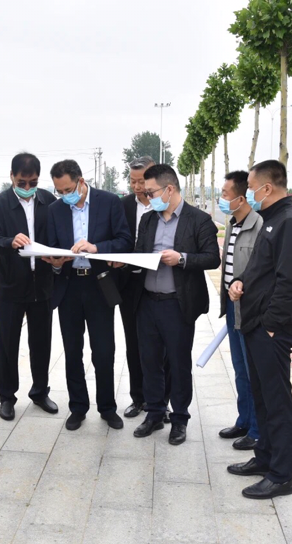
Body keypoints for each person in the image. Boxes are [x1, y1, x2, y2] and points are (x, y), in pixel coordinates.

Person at [226, 160, 292, 499]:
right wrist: (240, 281)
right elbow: (260, 268)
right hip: (256, 323)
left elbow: (290, 283)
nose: (248, 192)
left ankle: (281, 475)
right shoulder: (272, 219)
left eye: (250, 187)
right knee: (262, 396)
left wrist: (273, 325)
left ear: (267, 188)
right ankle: (264, 457)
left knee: (277, 401)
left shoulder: (290, 222)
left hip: (271, 328)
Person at [132, 164, 220, 445]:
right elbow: (139, 251)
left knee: (179, 364)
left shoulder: (199, 220)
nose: (148, 198)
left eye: (151, 192)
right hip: (147, 301)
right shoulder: (149, 219)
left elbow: (212, 258)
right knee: (149, 361)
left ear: (169, 189)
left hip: (177, 304)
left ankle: (180, 419)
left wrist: (182, 258)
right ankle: (154, 413)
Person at [46, 159, 132, 431]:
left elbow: (124, 241)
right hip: (69, 286)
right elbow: (51, 247)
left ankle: (107, 407)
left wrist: (97, 247)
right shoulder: (55, 210)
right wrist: (56, 262)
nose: (64, 196)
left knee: (104, 351)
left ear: (81, 182)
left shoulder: (109, 202)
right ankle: (78, 407)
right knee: (73, 351)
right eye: (60, 191)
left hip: (99, 285)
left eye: (68, 190)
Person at [0, 153, 59, 421]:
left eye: (33, 182)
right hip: (11, 286)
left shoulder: (48, 201)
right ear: (12, 177)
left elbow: (58, 236)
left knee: (42, 343)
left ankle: (40, 392)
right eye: (22, 182)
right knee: (8, 344)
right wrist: (9, 242)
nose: (27, 188)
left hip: (42, 284)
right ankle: (7, 397)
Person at [117, 156, 172, 421]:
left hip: (162, 283)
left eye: (142, 182)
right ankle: (138, 398)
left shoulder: (165, 204)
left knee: (165, 346)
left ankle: (163, 400)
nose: (138, 187)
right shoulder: (123, 205)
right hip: (131, 284)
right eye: (133, 181)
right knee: (134, 342)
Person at [216, 171, 262, 451]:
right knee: (240, 369)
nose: (221, 199)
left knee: (253, 371)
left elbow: (261, 271)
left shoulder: (260, 226)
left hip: (251, 311)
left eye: (225, 194)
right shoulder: (233, 224)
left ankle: (257, 430)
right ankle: (243, 420)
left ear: (241, 198)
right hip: (233, 309)